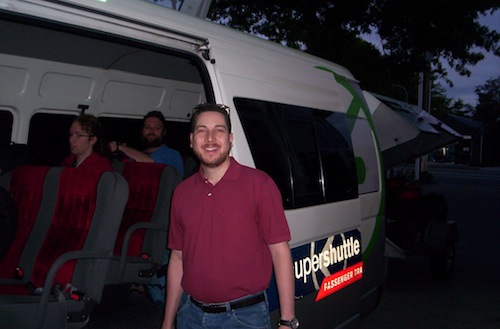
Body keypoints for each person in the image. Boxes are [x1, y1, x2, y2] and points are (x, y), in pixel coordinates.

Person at [161, 104, 297, 329]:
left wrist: (287, 320)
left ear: (231, 138)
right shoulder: (182, 192)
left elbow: (280, 252)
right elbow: (177, 257)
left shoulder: (259, 185)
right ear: (192, 139)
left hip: (243, 317)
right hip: (190, 315)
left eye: (219, 130)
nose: (211, 138)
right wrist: (168, 321)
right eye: (202, 130)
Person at [109, 111, 184, 177]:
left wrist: (121, 147)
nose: (151, 131)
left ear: (164, 132)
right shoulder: (142, 154)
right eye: (147, 127)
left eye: (157, 128)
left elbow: (151, 163)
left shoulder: (172, 155)